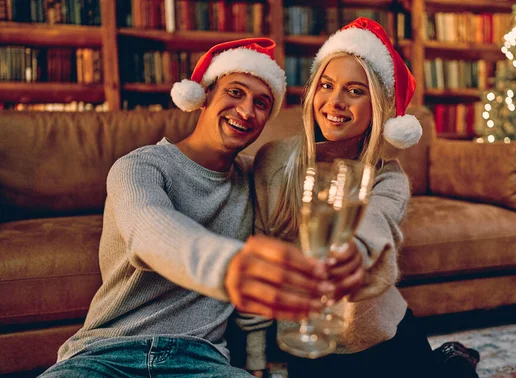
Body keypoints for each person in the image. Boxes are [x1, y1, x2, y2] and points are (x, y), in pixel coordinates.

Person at [38, 38, 336, 378]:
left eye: (262, 103)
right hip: (106, 354)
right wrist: (229, 266)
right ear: (203, 96)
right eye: (235, 92)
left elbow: (328, 167)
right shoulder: (139, 166)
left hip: (203, 362)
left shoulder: (258, 177)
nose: (246, 111)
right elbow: (148, 229)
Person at [243, 18, 480, 378]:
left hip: (381, 338)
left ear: (377, 108)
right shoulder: (274, 161)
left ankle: (452, 360)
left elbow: (376, 222)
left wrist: (352, 249)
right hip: (307, 347)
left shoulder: (389, 178)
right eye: (326, 85)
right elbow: (257, 263)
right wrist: (256, 360)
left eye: (355, 91)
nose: (335, 101)